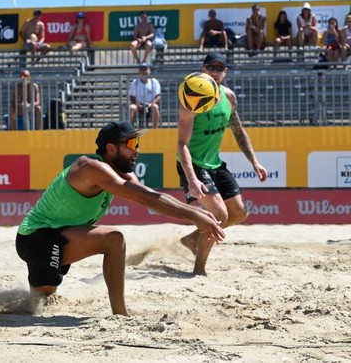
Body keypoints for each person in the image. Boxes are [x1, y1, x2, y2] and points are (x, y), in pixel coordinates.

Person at [15, 120, 225, 315]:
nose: (137, 149)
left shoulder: (119, 171)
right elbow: (146, 199)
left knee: (40, 299)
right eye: (132, 143)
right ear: (111, 148)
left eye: (138, 143)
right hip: (37, 238)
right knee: (113, 239)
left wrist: (197, 213)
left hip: (56, 236)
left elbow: (150, 195)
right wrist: (196, 216)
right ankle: (121, 314)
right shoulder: (90, 167)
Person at [177, 53, 268, 276]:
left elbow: (239, 131)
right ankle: (199, 269)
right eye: (211, 67)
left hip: (214, 164)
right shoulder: (192, 100)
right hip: (194, 164)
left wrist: (254, 161)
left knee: (239, 212)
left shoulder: (229, 97)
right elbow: (181, 145)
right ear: (203, 70)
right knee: (220, 215)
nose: (215, 72)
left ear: (225, 72)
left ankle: (193, 239)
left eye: (220, 68)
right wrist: (192, 179)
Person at [128, 63, 161, 128]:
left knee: (155, 107)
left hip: (150, 105)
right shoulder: (135, 82)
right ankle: (130, 130)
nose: (144, 72)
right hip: (138, 105)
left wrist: (151, 104)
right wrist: (137, 104)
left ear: (149, 71)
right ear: (139, 71)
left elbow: (158, 96)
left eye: (145, 69)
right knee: (131, 107)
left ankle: (155, 130)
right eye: (142, 69)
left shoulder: (154, 82)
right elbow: (132, 97)